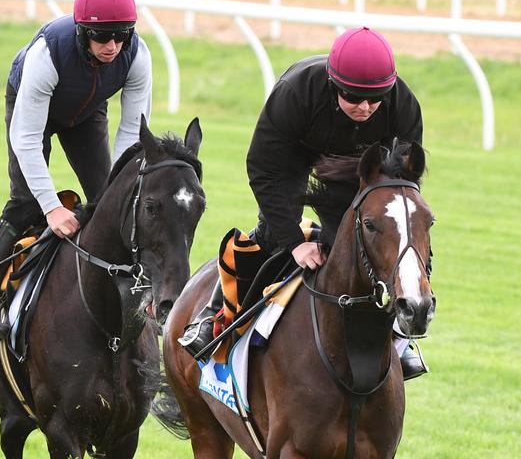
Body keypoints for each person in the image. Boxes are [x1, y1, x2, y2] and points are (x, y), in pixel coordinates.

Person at [181, 27, 429, 380]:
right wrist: (294, 243)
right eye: (354, 98)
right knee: (270, 235)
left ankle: (401, 340)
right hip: (293, 154)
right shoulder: (295, 94)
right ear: (334, 85)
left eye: (374, 100)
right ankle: (216, 314)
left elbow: (404, 184)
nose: (365, 108)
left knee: (387, 241)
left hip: (364, 165)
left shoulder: (402, 104)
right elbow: (263, 169)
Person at [0, 0, 152, 341]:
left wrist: (117, 184)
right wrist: (51, 208)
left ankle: (123, 292)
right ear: (82, 33)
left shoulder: (137, 55)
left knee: (112, 202)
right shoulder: (47, 55)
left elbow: (131, 133)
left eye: (121, 35)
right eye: (102, 37)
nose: (112, 46)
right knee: (25, 202)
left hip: (87, 113)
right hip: (31, 111)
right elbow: (27, 140)